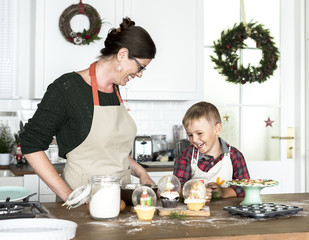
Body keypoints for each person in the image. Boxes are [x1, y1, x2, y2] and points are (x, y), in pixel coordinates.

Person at [20, 17, 156, 202]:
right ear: (122, 55)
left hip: (122, 201)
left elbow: (110, 151)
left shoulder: (115, 90)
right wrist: (70, 197)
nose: (139, 74)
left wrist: (141, 172)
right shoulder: (67, 88)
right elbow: (31, 144)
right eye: (140, 67)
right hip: (82, 203)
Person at [173, 101, 250, 200]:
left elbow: (246, 187)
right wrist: (194, 192)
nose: (194, 140)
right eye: (190, 135)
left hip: (227, 213)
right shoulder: (185, 156)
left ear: (217, 129)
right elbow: (176, 189)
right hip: (196, 213)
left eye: (199, 133)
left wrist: (223, 192)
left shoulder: (235, 156)